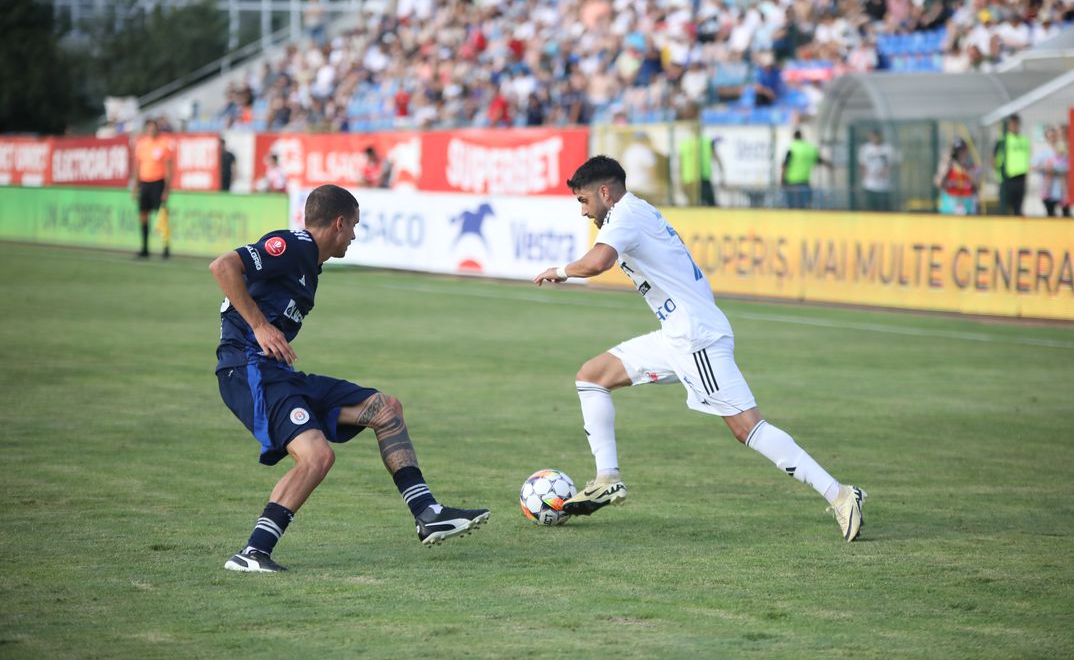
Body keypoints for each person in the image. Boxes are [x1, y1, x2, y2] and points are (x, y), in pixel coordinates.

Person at [531, 156, 867, 542]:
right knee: (592, 377)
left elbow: (597, 263)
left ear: (605, 192)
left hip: (696, 338)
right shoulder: (633, 212)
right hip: (675, 333)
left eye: (584, 200)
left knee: (747, 428)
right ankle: (607, 479)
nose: (584, 210)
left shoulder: (625, 215)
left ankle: (840, 494)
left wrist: (558, 270)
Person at [211, 185, 489, 572]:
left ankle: (428, 512)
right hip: (247, 368)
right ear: (339, 223)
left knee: (385, 409)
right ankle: (253, 552)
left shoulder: (309, 263)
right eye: (354, 226)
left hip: (277, 372)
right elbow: (223, 266)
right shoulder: (294, 245)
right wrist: (259, 326)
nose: (355, 235)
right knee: (317, 456)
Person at [130, 117, 174, 259]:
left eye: (154, 128)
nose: (152, 130)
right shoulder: (142, 144)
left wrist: (166, 189)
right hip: (144, 183)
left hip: (158, 183)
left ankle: (166, 248)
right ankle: (144, 248)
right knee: (143, 215)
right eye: (149, 128)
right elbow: (137, 166)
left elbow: (168, 169)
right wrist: (135, 185)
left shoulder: (164, 144)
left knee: (161, 216)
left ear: (157, 129)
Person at [993, 114, 1031, 215]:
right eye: (1012, 123)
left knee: (1018, 208)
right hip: (1007, 178)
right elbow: (994, 158)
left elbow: (1027, 158)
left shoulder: (1024, 140)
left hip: (1020, 177)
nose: (1014, 126)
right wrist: (998, 174)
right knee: (1004, 208)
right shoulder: (1002, 140)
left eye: (1016, 123)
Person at [678, 131, 724, 207]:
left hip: (690, 179)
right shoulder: (707, 142)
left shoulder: (685, 143)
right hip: (701, 179)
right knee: (711, 205)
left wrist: (680, 180)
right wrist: (722, 174)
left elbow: (680, 163)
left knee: (692, 205)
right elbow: (717, 158)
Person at [935, 138, 980, 215]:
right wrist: (946, 167)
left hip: (967, 209)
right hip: (949, 209)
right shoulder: (947, 167)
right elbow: (938, 183)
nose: (960, 154)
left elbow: (978, 184)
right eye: (958, 151)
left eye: (962, 150)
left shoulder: (972, 167)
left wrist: (965, 168)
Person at [780, 129, 823, 209]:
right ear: (802, 137)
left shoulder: (791, 148)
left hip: (791, 184)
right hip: (805, 183)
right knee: (805, 208)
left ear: (794, 137)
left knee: (793, 208)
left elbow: (784, 165)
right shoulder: (810, 148)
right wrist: (830, 165)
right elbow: (819, 160)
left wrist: (782, 181)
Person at [1034, 125, 1069, 217]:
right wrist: (1045, 167)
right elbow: (1033, 166)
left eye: (1054, 136)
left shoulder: (1063, 149)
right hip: (1049, 193)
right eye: (1050, 137)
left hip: (1062, 192)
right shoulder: (1043, 153)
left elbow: (1068, 165)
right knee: (1050, 216)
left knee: (1066, 216)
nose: (1052, 139)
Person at [859, 129, 897, 211]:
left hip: (884, 185)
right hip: (869, 185)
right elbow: (862, 165)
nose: (874, 139)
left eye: (876, 136)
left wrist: (884, 173)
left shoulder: (888, 148)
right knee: (870, 208)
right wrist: (866, 175)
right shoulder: (865, 148)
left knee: (884, 209)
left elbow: (890, 165)